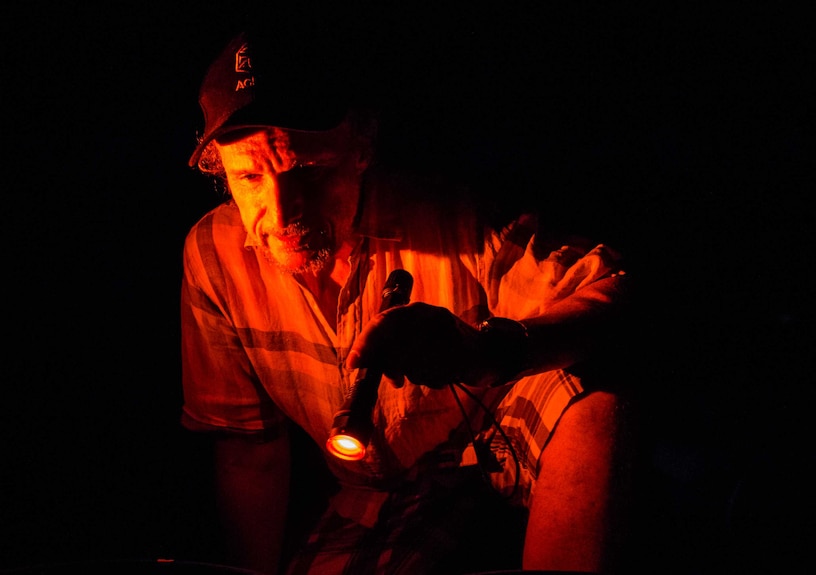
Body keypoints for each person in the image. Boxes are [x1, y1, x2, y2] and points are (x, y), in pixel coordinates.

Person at [180, 19, 634, 575]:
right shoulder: (213, 259)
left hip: (505, 436)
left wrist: (485, 354)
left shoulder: (455, 219)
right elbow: (250, 451)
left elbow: (620, 293)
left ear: (362, 144)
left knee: (594, 395)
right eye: (250, 178)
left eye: (308, 172)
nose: (280, 215)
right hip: (381, 492)